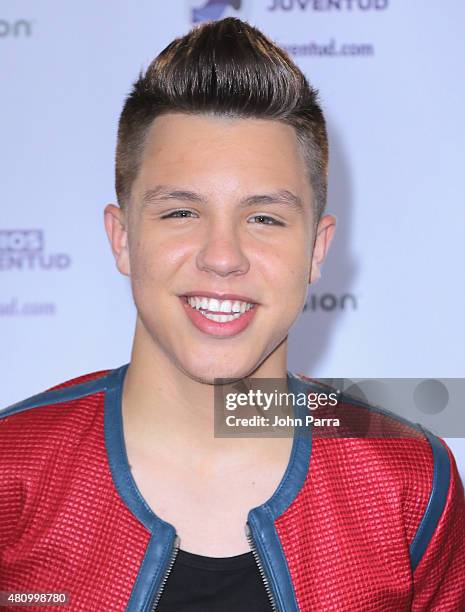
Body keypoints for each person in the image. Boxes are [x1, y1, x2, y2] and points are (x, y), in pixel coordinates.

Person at [1, 17, 464, 612]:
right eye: (180, 213)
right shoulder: (14, 468)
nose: (223, 257)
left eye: (264, 218)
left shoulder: (409, 480)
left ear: (317, 250)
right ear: (121, 238)